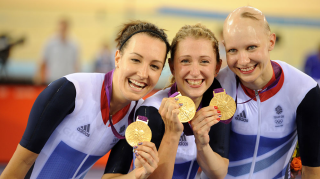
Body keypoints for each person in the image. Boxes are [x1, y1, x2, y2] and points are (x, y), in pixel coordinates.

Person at [0, 20, 170, 179]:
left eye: (154, 66)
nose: (143, 74)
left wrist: (138, 173)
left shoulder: (138, 116)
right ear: (118, 58)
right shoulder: (70, 91)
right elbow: (20, 163)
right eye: (135, 60)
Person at [201, 6, 320, 179]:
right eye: (233, 50)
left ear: (271, 42)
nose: (243, 61)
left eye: (251, 47)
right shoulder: (218, 85)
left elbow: (312, 170)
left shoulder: (303, 91)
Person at [103, 23, 230, 179]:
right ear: (172, 67)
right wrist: (172, 133)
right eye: (185, 61)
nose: (195, 72)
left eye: (204, 61)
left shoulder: (217, 104)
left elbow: (219, 173)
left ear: (217, 67)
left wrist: (202, 144)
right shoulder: (151, 110)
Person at [38, 17, 80, 85]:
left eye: (65, 28)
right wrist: (41, 78)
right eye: (61, 29)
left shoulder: (74, 44)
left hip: (68, 80)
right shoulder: (50, 42)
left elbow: (76, 64)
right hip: (52, 79)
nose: (63, 31)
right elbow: (43, 61)